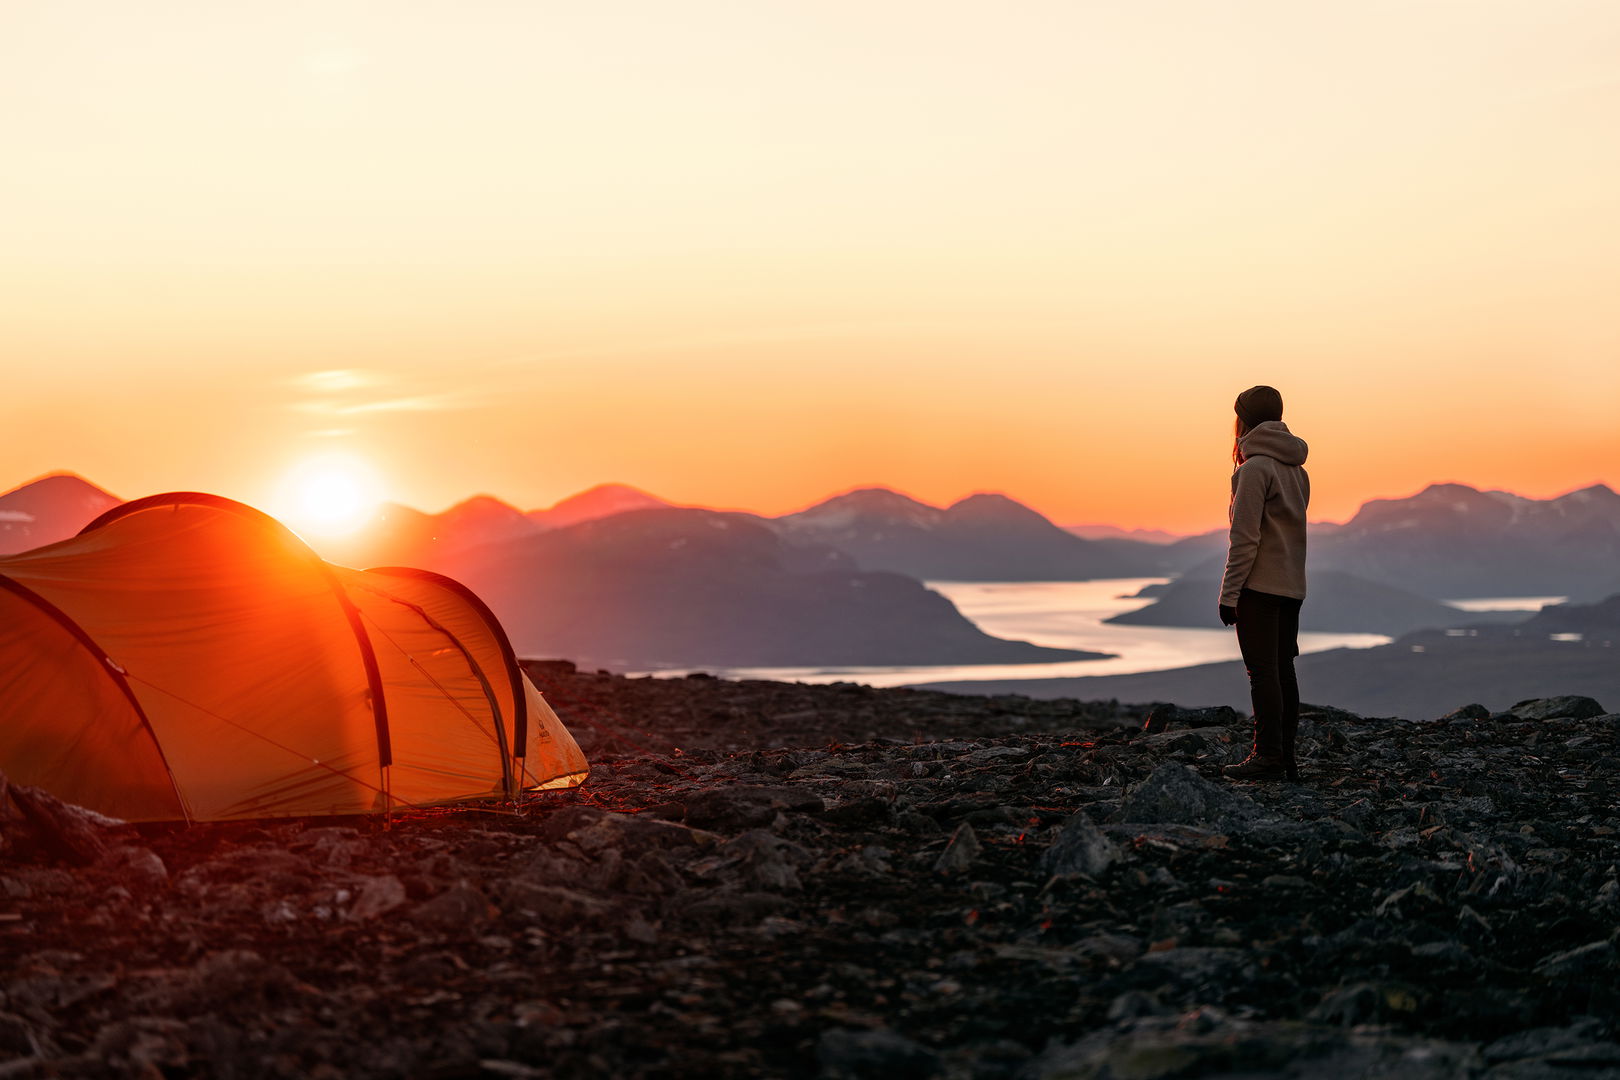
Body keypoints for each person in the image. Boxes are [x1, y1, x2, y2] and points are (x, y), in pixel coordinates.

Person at [1218, 385, 1309, 781]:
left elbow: (1245, 539)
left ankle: (1267, 757)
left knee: (1262, 673)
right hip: (1292, 586)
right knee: (1284, 670)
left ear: (1244, 420)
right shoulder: (1297, 471)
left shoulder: (1254, 470)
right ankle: (1285, 758)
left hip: (1259, 589)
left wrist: (1229, 594)